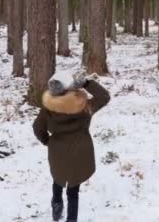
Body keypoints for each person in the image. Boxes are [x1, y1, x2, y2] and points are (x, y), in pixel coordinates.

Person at [32, 72, 111, 222]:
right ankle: (71, 219)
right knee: (73, 189)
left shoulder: (48, 110)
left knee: (58, 179)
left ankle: (56, 204)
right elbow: (104, 97)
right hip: (79, 151)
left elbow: (37, 128)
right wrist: (87, 83)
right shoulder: (84, 107)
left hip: (57, 151)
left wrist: (47, 141)